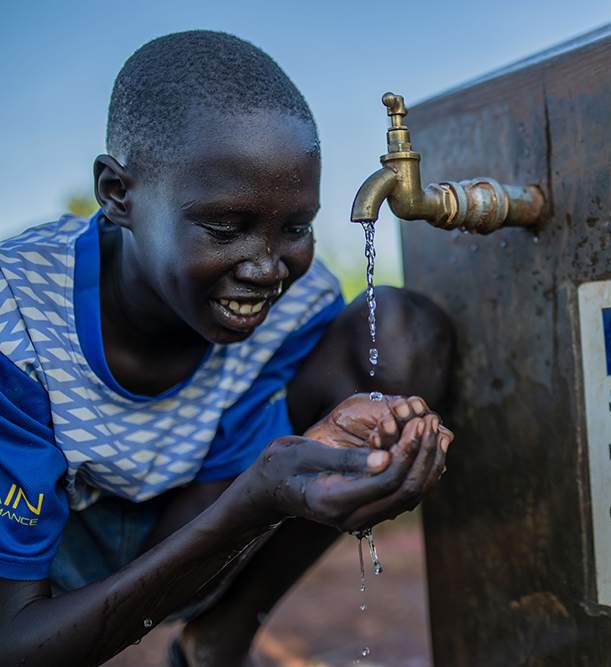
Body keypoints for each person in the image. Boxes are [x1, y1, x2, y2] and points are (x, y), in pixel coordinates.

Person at [0, 30, 454, 667]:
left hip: (190, 522)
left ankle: (221, 639)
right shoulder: (20, 318)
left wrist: (313, 464)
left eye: (295, 228)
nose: (268, 268)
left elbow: (246, 468)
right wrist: (255, 500)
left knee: (401, 330)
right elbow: (15, 644)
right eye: (225, 227)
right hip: (43, 563)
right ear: (117, 195)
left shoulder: (296, 302)